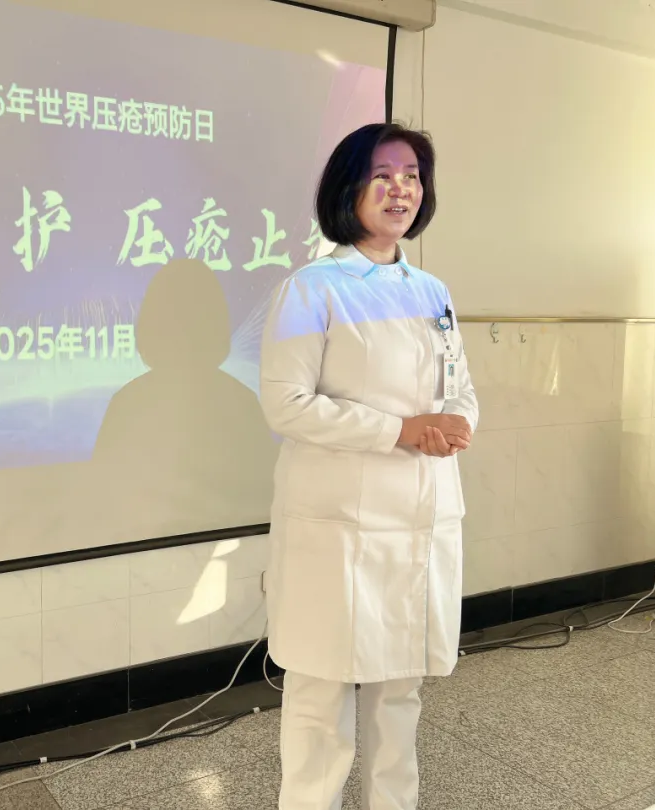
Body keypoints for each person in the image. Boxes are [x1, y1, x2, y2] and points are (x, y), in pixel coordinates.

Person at [259, 122, 478, 810]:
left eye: (411, 176)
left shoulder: (432, 290)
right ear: (348, 187)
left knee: (399, 694)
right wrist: (400, 431)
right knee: (321, 697)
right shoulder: (312, 288)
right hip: (340, 530)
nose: (400, 189)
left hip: (420, 519)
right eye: (382, 175)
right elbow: (287, 404)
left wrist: (457, 423)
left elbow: (461, 388)